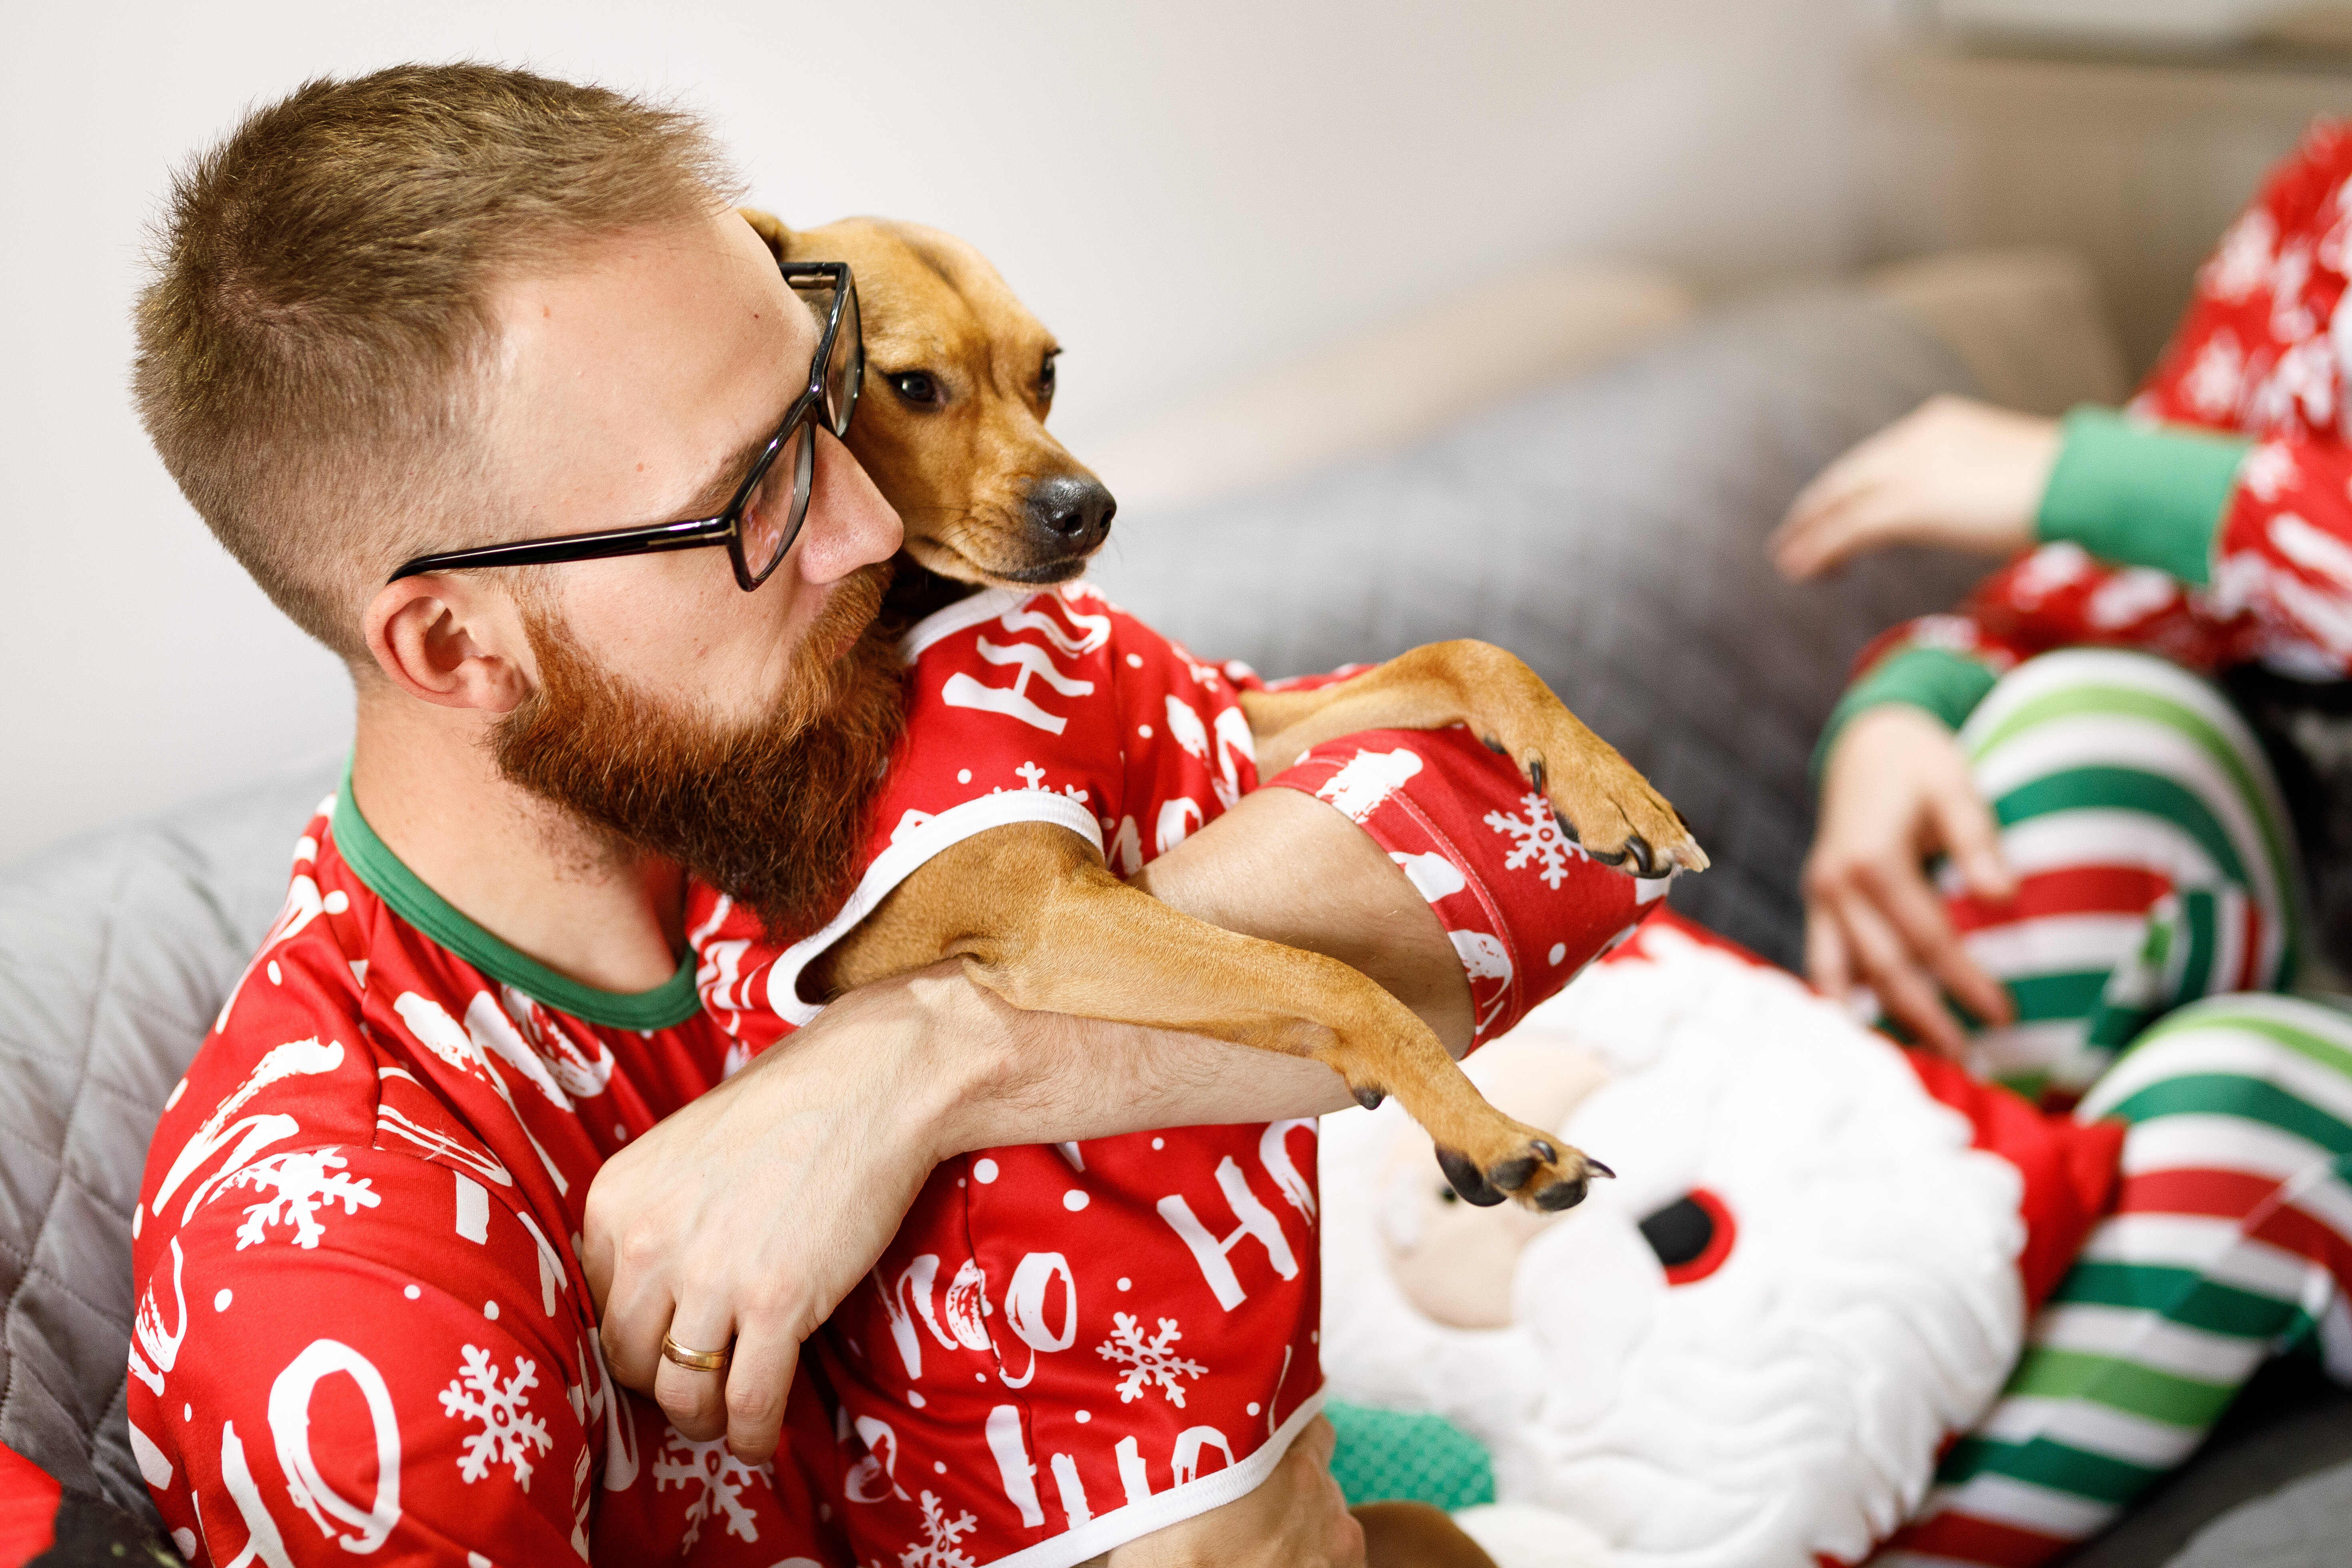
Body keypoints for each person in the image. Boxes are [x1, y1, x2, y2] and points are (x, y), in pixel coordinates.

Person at [126, 64, 1641, 1566]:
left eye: (825, 412)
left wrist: (927, 1057)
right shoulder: (348, 1304)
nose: (861, 525)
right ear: (459, 648)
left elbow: (1533, 825)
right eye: (750, 493)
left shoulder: (825, 712)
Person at [1770, 119, 2352, 1566]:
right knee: (2082, 733)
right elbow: (2095, 584)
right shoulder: (2328, 196)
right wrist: (1906, 715)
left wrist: (2119, 483)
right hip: (2302, 895)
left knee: (2240, 1101)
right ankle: (1797, 1354)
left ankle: (1800, 1528)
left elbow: (2127, 500)